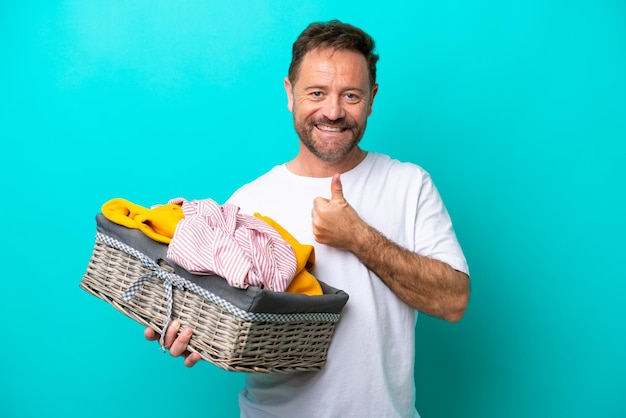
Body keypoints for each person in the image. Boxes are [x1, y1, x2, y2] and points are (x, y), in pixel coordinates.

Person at [145, 19, 470, 417]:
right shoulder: (245, 205)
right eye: (317, 92)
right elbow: (217, 315)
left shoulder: (409, 184)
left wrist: (357, 238)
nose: (332, 112)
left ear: (372, 98)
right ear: (290, 93)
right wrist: (188, 330)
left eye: (351, 95)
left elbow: (453, 301)